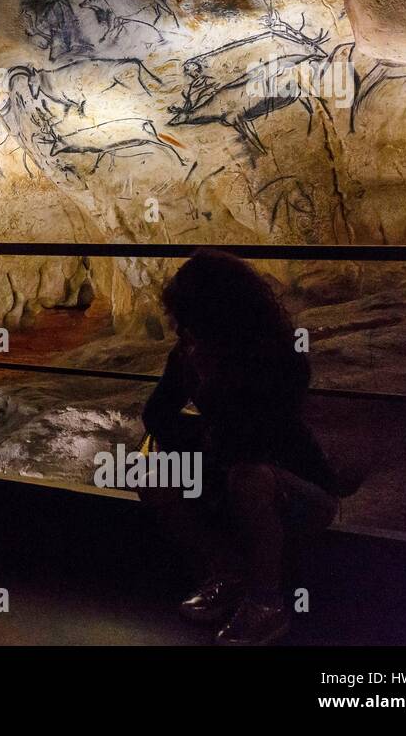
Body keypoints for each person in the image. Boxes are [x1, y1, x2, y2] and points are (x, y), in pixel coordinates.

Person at [139, 248, 351, 645]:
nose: (183, 330)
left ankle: (266, 604)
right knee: (154, 478)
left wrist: (210, 385)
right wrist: (201, 436)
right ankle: (230, 575)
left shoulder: (272, 356)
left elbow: (255, 438)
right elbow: (157, 415)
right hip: (233, 468)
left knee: (249, 479)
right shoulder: (191, 352)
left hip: (298, 490)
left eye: (189, 318)